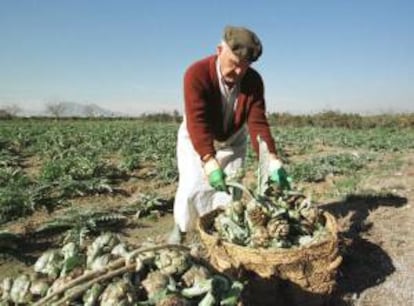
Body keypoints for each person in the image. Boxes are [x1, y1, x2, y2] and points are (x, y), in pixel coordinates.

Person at [168, 25, 291, 244]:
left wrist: (272, 158)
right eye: (234, 64)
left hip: (233, 140)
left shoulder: (253, 81)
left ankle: (221, 231)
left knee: (228, 194)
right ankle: (181, 228)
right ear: (219, 50)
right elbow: (197, 121)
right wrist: (207, 158)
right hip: (198, 136)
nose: (238, 72)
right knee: (192, 185)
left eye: (245, 67)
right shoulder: (196, 73)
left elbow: (257, 123)